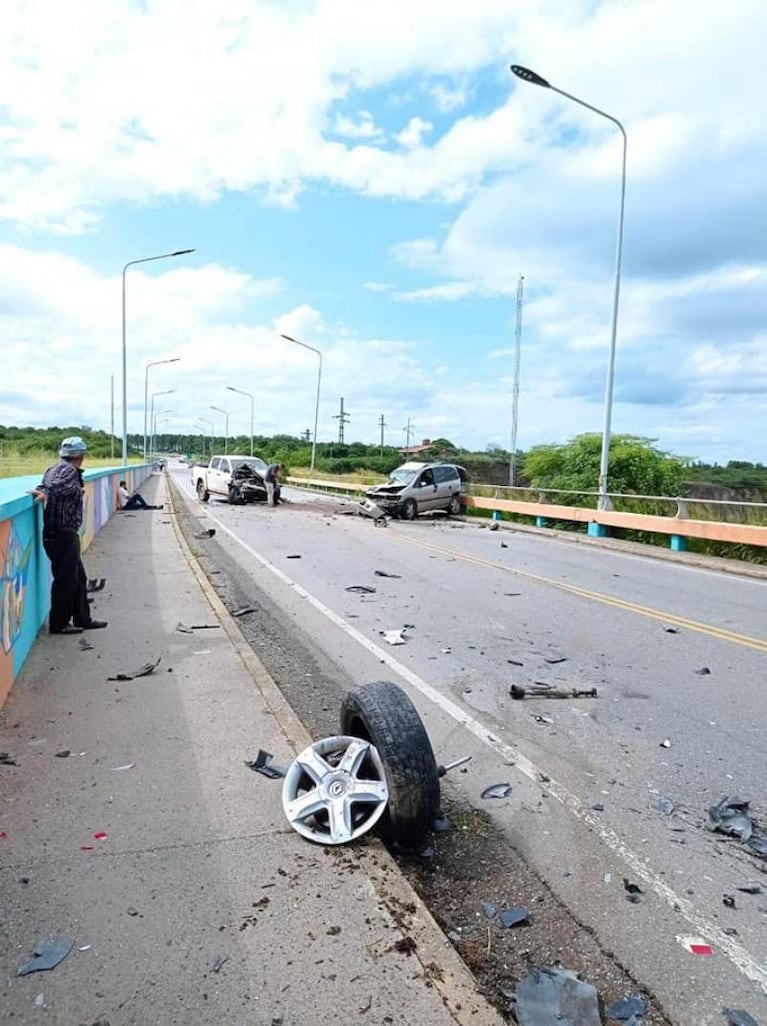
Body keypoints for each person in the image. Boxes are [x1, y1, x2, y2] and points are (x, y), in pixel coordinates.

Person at [29, 436, 107, 635]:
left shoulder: (55, 468)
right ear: (80, 456)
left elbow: (50, 485)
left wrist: (45, 490)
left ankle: (83, 618)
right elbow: (52, 486)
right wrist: (44, 491)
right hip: (62, 533)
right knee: (66, 580)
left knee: (78, 578)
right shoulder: (68, 471)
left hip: (59, 532)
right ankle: (59, 623)